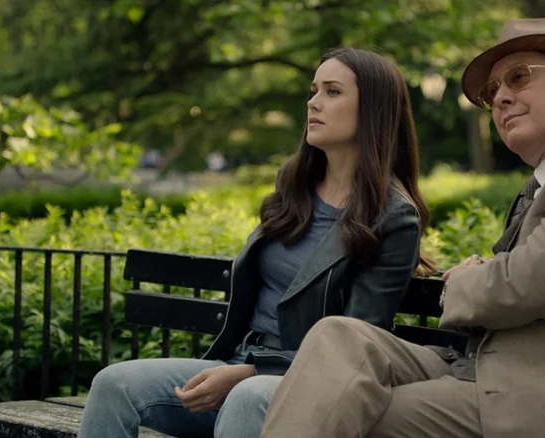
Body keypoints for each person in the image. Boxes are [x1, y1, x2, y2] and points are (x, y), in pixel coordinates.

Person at [259, 18, 545, 438]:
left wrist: (468, 281)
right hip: (502, 376)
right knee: (341, 337)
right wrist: (492, 271)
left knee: (361, 415)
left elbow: (530, 283)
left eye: (519, 77)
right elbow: (538, 271)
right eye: (494, 90)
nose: (502, 97)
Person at [77, 47, 433, 438]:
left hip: (308, 386)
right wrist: (239, 368)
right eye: (313, 91)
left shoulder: (393, 217)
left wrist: (249, 372)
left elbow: (356, 346)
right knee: (114, 385)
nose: (313, 103)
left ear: (374, 109)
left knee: (249, 395)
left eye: (332, 92)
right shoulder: (295, 185)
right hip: (240, 361)